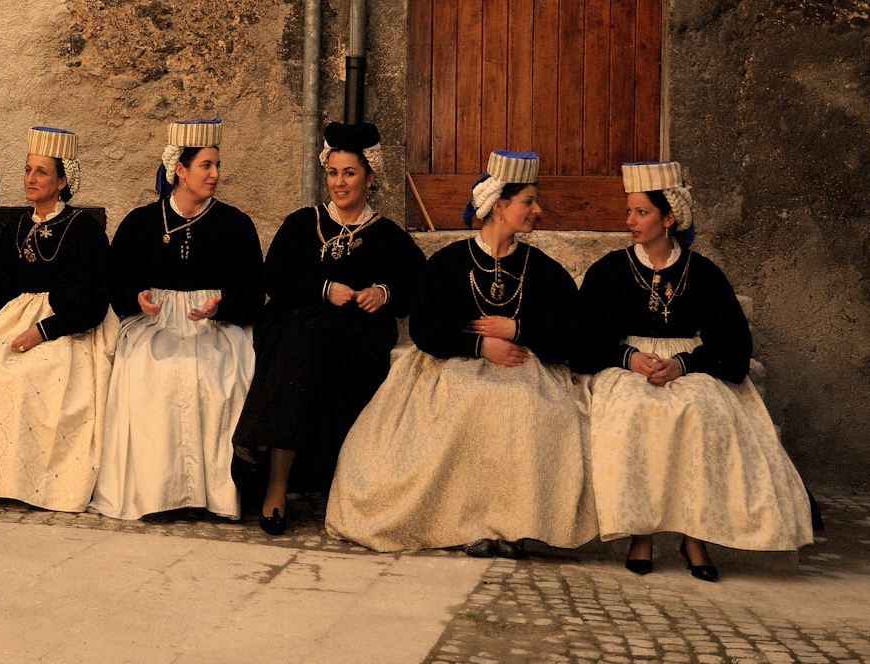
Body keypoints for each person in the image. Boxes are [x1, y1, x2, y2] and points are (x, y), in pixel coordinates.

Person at [325, 150, 597, 555]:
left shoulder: (542, 269)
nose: (537, 210)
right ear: (499, 206)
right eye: (528, 201)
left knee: (525, 404)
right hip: (452, 367)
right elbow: (425, 328)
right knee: (469, 400)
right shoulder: (449, 262)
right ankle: (469, 525)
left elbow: (574, 332)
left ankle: (514, 525)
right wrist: (480, 344)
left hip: (525, 368)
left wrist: (517, 329)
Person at [575, 161, 813, 579]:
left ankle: (695, 536)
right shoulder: (609, 270)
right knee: (633, 410)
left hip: (689, 365)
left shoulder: (702, 273)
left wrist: (684, 364)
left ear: (669, 218)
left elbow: (733, 345)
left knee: (701, 412)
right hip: (624, 364)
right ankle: (641, 534)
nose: (630, 221)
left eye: (642, 212)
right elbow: (583, 338)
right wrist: (628, 357)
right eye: (629, 211)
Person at [232, 121, 426, 535]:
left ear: (370, 178)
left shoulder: (388, 237)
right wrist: (323, 289)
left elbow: (417, 286)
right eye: (333, 173)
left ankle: (264, 443)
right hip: (296, 323)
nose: (339, 183)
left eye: (350, 173)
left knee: (314, 348)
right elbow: (274, 277)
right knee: (300, 344)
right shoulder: (304, 223)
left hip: (357, 333)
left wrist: (383, 292)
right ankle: (277, 484)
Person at [0, 127, 118, 510]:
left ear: (62, 181)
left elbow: (92, 298)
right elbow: (0, 278)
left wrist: (43, 331)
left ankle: (28, 481)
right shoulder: (18, 225)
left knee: (27, 377)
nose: (30, 178)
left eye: (41, 172)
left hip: (67, 326)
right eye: (28, 170)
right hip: (17, 318)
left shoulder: (83, 229)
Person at [90, 119, 264, 521]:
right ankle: (157, 493)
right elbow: (117, 281)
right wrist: (138, 298)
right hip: (156, 324)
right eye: (206, 165)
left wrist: (221, 307)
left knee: (216, 376)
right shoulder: (141, 222)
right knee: (151, 372)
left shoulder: (235, 224)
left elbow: (253, 292)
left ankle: (213, 496)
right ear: (180, 170)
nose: (215, 174)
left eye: (217, 165)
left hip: (217, 328)